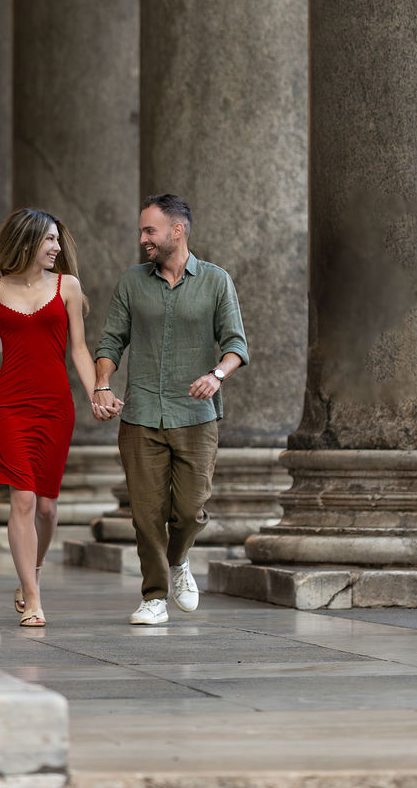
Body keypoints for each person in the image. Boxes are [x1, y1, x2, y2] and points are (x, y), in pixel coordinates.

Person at [93, 194, 249, 625]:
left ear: (176, 231)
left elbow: (236, 344)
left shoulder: (216, 281)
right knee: (146, 515)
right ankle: (154, 596)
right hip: (140, 412)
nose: (143, 238)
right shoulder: (131, 282)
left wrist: (216, 376)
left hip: (197, 417)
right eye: (142, 230)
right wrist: (102, 385)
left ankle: (178, 560)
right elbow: (110, 342)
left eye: (150, 231)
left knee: (191, 509)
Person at [0, 207, 111, 627]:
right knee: (22, 498)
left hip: (55, 406)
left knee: (46, 508)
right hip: (9, 404)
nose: (57, 248)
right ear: (27, 242)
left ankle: (34, 568)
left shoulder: (68, 287)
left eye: (57, 240)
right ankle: (32, 595)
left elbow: (79, 348)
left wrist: (97, 391)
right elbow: (0, 335)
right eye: (50, 240)